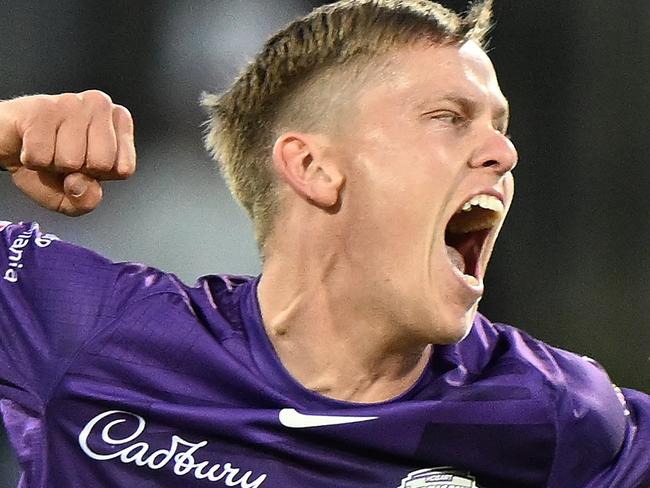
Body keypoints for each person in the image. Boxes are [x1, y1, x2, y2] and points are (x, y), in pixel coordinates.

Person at [0, 0, 648, 486]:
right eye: (449, 118)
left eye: (500, 127)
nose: (504, 153)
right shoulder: (94, 337)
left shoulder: (554, 414)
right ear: (312, 168)